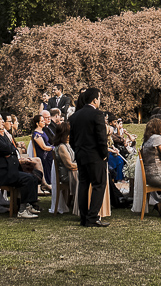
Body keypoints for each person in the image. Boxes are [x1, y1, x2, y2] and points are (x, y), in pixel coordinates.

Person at [0, 112, 42, 218]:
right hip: (0, 173)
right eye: (0, 119)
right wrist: (10, 152)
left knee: (33, 176)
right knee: (27, 179)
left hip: (7, 169)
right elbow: (8, 149)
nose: (2, 121)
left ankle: (29, 205)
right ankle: (22, 210)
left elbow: (12, 148)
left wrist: (10, 153)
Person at [69, 87, 110, 227]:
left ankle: (84, 217)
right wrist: (104, 154)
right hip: (95, 155)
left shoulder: (75, 116)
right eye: (99, 98)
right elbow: (101, 137)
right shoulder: (97, 114)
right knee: (99, 184)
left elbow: (72, 140)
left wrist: (79, 151)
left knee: (83, 185)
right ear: (94, 99)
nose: (99, 101)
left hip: (81, 155)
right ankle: (92, 217)